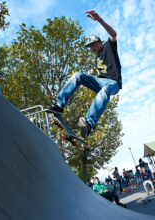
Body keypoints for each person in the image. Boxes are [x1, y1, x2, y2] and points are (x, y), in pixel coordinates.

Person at [44, 9, 122, 138]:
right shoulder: (96, 59)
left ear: (99, 42)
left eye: (93, 45)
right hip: (100, 82)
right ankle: (59, 105)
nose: (92, 48)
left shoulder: (109, 47)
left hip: (113, 83)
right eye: (90, 47)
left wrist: (100, 20)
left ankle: (89, 124)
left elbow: (113, 34)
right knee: (77, 75)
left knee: (106, 89)